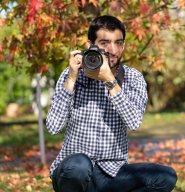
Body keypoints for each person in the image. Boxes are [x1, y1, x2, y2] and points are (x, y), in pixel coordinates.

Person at [46, 15, 177, 192]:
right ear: (89, 44)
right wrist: (71, 79)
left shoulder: (133, 78)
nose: (113, 50)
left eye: (118, 43)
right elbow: (53, 127)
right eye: (105, 43)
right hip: (72, 171)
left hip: (112, 172)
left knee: (166, 177)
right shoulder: (73, 74)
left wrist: (110, 81)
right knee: (80, 165)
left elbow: (134, 122)